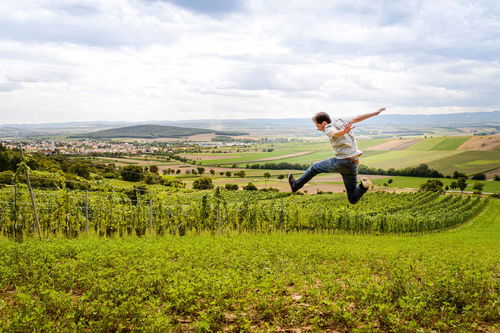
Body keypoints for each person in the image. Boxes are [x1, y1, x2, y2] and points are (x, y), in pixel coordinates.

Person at [288, 107, 385, 204]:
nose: (318, 129)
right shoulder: (341, 121)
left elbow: (334, 133)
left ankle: (295, 185)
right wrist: (375, 113)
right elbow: (358, 117)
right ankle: (363, 187)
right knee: (352, 198)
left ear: (324, 123)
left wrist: (343, 132)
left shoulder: (328, 128)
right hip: (353, 163)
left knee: (315, 168)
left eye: (318, 126)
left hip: (342, 162)